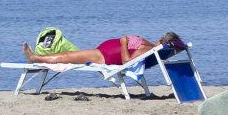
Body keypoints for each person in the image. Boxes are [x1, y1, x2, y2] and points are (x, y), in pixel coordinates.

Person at [23, 32, 183, 66]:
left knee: (67, 57)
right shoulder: (148, 47)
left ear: (160, 40)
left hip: (104, 57)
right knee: (69, 55)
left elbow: (127, 61)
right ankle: (37, 56)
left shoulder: (147, 49)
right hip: (104, 52)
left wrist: (122, 43)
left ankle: (35, 58)